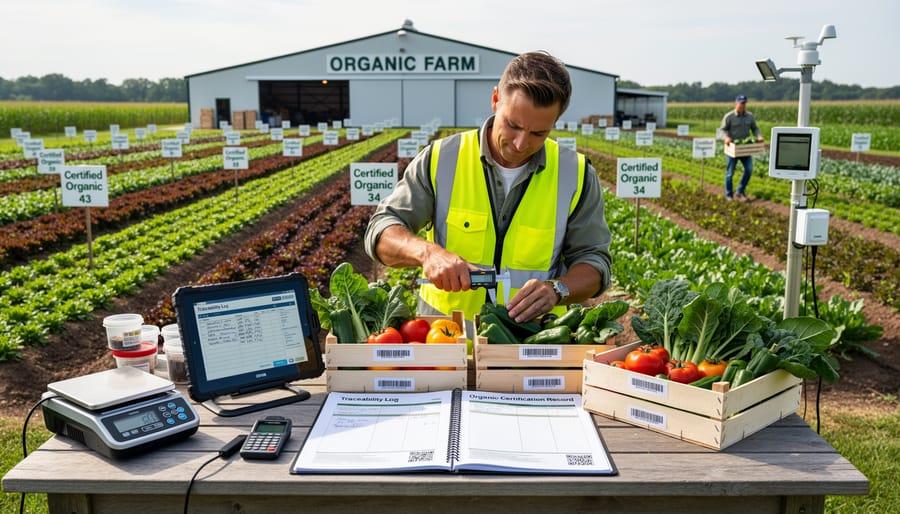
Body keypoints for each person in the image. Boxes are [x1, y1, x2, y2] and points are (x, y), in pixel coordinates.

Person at [364, 51, 612, 326]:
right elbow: (382, 231)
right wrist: (427, 253)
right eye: (513, 125)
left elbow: (595, 261)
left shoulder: (575, 174)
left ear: (555, 123)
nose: (520, 144)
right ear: (495, 100)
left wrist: (558, 289)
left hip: (531, 342)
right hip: (445, 338)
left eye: (538, 133)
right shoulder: (443, 158)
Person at [720, 94, 764, 201]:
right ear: (736, 103)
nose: (742, 105)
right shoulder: (729, 116)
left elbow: (755, 128)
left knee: (749, 170)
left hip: (744, 148)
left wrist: (758, 135)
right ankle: (729, 195)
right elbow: (722, 130)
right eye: (741, 103)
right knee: (730, 173)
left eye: (744, 103)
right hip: (732, 148)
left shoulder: (750, 116)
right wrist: (726, 138)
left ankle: (740, 191)